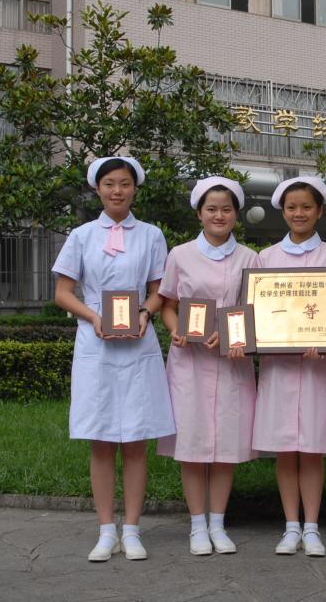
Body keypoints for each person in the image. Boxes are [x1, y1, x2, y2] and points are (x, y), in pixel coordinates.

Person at [51, 156, 176, 563]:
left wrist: (144, 313)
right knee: (101, 439)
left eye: (124, 183)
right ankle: (106, 531)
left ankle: (133, 530)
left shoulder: (151, 235)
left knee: (136, 439)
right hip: (96, 344)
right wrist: (93, 317)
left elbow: (159, 291)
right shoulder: (82, 235)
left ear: (135, 188)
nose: (117, 191)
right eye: (109, 184)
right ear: (97, 189)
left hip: (138, 343)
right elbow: (62, 293)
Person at [158, 177, 258, 556]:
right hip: (189, 363)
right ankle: (197, 525)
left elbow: (255, 311)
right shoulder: (180, 255)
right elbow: (168, 305)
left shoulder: (249, 258)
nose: (219, 215)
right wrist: (176, 330)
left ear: (236, 215)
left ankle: (218, 523)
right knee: (192, 444)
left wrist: (236, 337)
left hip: (232, 362)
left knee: (226, 444)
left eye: (226, 209)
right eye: (211, 209)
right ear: (199, 213)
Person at [252, 175, 326, 557]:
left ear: (319, 211)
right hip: (279, 368)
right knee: (285, 450)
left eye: (306, 207)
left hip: (317, 367)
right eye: (292, 207)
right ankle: (291, 526)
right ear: (283, 212)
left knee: (312, 448)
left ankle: (312, 526)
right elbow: (256, 313)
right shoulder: (265, 259)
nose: (299, 213)